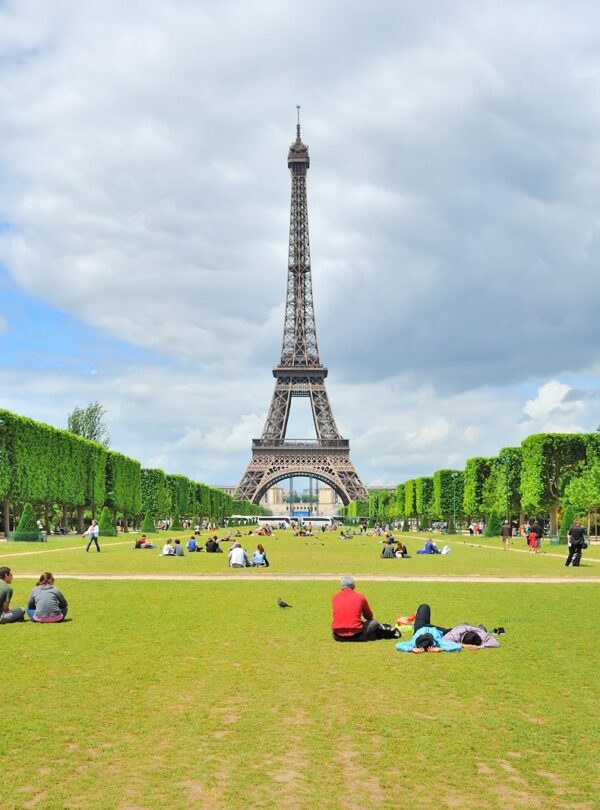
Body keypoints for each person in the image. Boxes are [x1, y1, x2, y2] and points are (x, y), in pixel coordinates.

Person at [331, 576, 384, 642]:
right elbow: (369, 616)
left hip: (337, 636)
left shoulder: (335, 598)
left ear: (341, 586)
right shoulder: (360, 597)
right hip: (357, 634)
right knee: (374, 622)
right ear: (353, 586)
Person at [395, 603, 462, 653]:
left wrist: (412, 649)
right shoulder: (438, 642)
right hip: (437, 630)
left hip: (420, 627)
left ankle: (410, 619)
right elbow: (457, 646)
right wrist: (441, 649)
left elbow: (398, 645)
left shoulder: (413, 643)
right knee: (460, 630)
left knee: (424, 606)